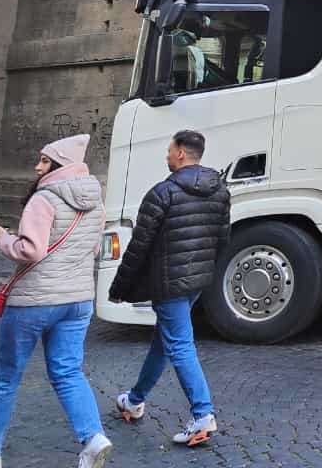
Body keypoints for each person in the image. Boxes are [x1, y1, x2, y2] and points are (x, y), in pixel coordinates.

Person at [0, 134, 111, 468]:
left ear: (60, 165)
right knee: (68, 372)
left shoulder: (44, 198)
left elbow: (30, 250)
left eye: (44, 161)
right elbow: (91, 248)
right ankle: (93, 438)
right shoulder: (96, 201)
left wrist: (4, 239)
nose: (37, 166)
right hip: (78, 300)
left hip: (35, 300)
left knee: (5, 378)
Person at [108, 129, 230, 447]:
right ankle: (134, 401)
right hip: (197, 281)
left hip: (168, 283)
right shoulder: (220, 190)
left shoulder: (162, 193)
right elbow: (223, 239)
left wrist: (119, 287)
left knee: (179, 346)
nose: (166, 155)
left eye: (168, 150)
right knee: (165, 341)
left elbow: (139, 247)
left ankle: (203, 415)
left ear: (180, 154)